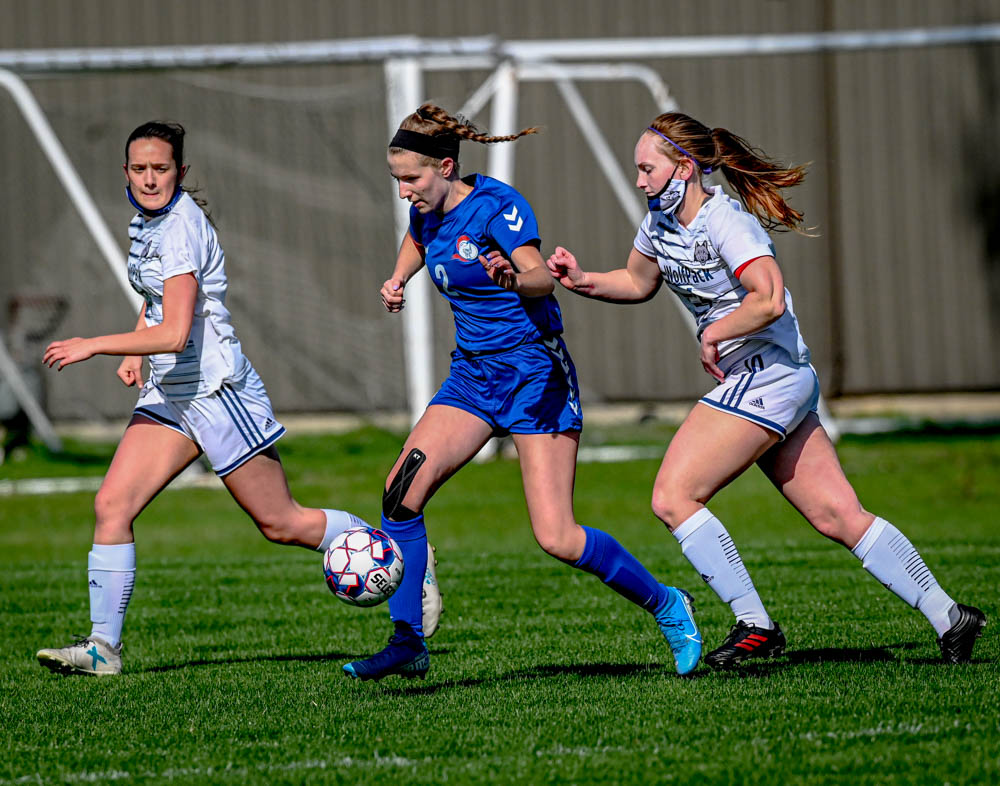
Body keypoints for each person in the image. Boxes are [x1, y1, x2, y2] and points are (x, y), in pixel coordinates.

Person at [547, 112, 987, 668]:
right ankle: (951, 617)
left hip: (768, 376)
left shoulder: (727, 222)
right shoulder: (657, 224)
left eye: (646, 169)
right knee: (838, 516)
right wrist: (582, 279)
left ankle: (755, 623)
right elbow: (637, 281)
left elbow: (769, 298)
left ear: (684, 167)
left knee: (672, 497)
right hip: (772, 380)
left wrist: (714, 333)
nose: (640, 181)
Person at [35, 120, 440, 676]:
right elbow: (160, 302)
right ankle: (103, 649)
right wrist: (135, 350)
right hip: (173, 392)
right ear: (125, 171)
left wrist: (96, 345)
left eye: (161, 169)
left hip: (217, 391)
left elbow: (177, 333)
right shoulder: (147, 222)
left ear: (181, 172)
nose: (150, 179)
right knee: (112, 506)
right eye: (139, 169)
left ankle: (400, 560)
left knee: (281, 523)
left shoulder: (180, 226)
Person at [342, 104, 702, 682]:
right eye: (397, 181)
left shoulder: (497, 206)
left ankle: (668, 605)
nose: (404, 191)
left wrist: (513, 276)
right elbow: (418, 238)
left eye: (411, 179)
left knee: (557, 536)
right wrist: (397, 278)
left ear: (446, 165)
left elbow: (537, 275)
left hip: (536, 373)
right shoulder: (427, 211)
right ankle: (408, 641)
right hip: (473, 377)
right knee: (400, 493)